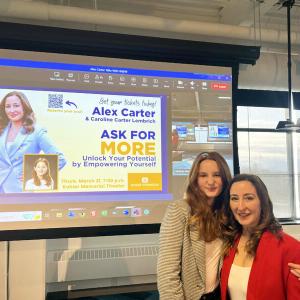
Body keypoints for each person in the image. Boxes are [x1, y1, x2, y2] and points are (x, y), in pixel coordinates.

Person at [157, 151, 232, 300]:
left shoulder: (226, 213)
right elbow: (167, 272)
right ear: (195, 179)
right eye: (203, 175)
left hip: (219, 295)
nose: (211, 181)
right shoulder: (180, 210)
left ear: (224, 179)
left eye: (216, 175)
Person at [220, 174, 300, 300]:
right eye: (234, 198)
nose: (240, 207)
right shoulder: (229, 241)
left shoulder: (290, 249)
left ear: (262, 202)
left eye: (249, 198)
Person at [0, 91, 66, 193]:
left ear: (24, 107)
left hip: (20, 192)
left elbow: (61, 159)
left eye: (16, 105)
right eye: (8, 106)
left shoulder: (36, 131)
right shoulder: (2, 130)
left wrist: (32, 174)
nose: (12, 110)